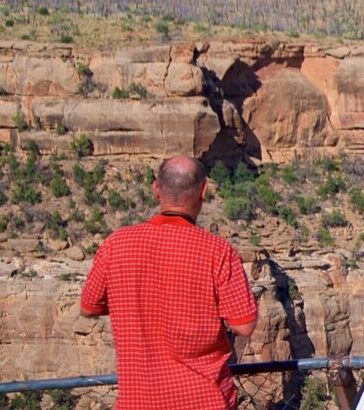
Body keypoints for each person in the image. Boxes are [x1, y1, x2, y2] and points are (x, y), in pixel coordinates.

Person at [80, 157, 259, 410]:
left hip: (139, 401)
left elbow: (88, 307)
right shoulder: (217, 251)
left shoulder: (115, 245)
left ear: (156, 189)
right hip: (203, 400)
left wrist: (134, 298)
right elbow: (245, 324)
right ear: (204, 191)